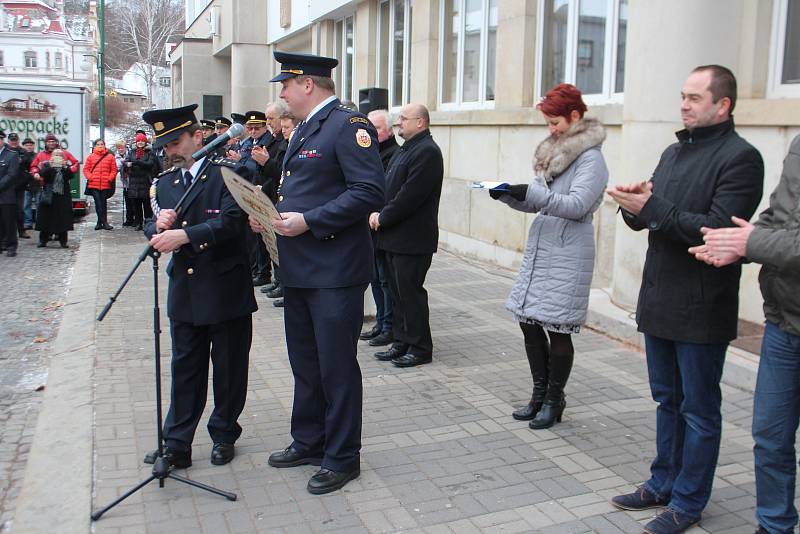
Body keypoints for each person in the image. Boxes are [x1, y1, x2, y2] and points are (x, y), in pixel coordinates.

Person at [607, 65, 764, 534]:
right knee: (666, 400)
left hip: (701, 305)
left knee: (698, 409)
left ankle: (689, 501)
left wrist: (652, 209)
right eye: (682, 96)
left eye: (695, 98)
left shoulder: (741, 158)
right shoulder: (674, 151)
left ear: (723, 105)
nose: (684, 104)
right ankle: (662, 483)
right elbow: (655, 216)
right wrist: (634, 204)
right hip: (659, 298)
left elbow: (716, 230)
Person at [251, 51, 384, 495]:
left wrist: (309, 221)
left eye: (286, 85)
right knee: (305, 362)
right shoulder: (308, 127)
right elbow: (306, 190)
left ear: (308, 85)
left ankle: (343, 456)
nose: (282, 94)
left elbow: (368, 191)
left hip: (334, 268)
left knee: (336, 366)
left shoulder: (349, 126)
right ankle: (309, 440)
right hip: (302, 266)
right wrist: (271, 215)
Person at [689, 134, 800, 534]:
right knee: (770, 438)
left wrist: (752, 241)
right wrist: (741, 245)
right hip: (785, 324)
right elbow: (777, 216)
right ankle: (774, 526)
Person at [141, 103, 257, 468]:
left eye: (176, 142)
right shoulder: (165, 183)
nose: (170, 151)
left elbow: (232, 223)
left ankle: (224, 433)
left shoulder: (228, 175)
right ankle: (177, 443)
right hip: (186, 291)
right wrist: (157, 226)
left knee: (228, 369)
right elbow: (151, 228)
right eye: (165, 145)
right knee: (185, 369)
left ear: (197, 137)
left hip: (225, 287)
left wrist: (184, 236)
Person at [489, 84, 608, 428]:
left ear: (575, 116)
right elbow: (539, 199)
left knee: (558, 331)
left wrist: (534, 195)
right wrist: (510, 195)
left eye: (555, 122)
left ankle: (555, 400)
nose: (551, 129)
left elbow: (577, 206)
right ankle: (538, 393)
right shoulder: (553, 152)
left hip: (569, 249)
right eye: (548, 123)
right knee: (528, 323)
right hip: (543, 246)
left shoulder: (591, 159)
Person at [370, 104, 443, 368]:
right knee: (398, 294)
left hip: (412, 238)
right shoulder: (407, 148)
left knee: (410, 294)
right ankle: (401, 341)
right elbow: (389, 187)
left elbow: (410, 196)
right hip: (393, 237)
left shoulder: (427, 152)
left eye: (404, 119)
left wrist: (383, 216)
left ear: (421, 122)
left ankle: (420, 347)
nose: (399, 123)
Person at [360, 109, 399, 347]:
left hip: (382, 225)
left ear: (390, 130)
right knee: (375, 278)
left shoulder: (393, 153)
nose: (372, 133)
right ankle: (380, 324)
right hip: (369, 224)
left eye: (378, 128)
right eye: (370, 128)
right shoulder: (371, 151)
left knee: (385, 280)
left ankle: (388, 326)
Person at [34, 148, 74, 248]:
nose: (58, 157)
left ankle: (63, 241)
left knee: (63, 220)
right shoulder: (47, 165)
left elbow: (70, 176)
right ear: (52, 156)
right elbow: (43, 174)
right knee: (46, 219)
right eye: (56, 155)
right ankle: (43, 240)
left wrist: (65, 167)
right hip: (49, 195)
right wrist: (50, 166)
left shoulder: (65, 166)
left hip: (62, 196)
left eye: (60, 155)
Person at [125, 133, 159, 230]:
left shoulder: (150, 152)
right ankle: (139, 223)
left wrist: (137, 162)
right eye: (138, 141)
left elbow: (150, 164)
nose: (140, 143)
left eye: (142, 141)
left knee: (147, 205)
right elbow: (126, 161)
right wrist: (127, 164)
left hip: (145, 181)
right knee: (136, 205)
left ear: (145, 142)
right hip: (134, 181)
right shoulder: (132, 152)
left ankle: (148, 223)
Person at [84, 139, 118, 230]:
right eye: (98, 144)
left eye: (102, 144)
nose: (100, 146)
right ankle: (103, 222)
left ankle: (101, 222)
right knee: (98, 203)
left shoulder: (110, 157)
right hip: (94, 184)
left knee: (103, 203)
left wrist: (109, 178)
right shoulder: (90, 157)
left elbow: (114, 170)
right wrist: (90, 177)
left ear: (104, 145)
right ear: (95, 146)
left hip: (105, 184)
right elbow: (86, 169)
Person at [0, 130, 21, 256]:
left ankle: (11, 246)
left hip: (6, 194)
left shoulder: (11, 155)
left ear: (2, 140)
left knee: (9, 222)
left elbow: (12, 174)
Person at [6, 133, 30, 239]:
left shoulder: (23, 152)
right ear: (8, 141)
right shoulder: (4, 151)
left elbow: (29, 167)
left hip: (19, 186)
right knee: (6, 210)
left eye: (15, 140)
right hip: (6, 186)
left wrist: (26, 180)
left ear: (18, 140)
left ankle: (21, 231)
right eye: (12, 140)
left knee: (19, 210)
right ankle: (7, 233)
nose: (14, 142)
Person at [115, 140, 135, 227]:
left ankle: (135, 219)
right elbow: (117, 167)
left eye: (122, 147)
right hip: (125, 182)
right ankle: (129, 219)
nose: (120, 149)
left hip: (133, 181)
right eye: (119, 148)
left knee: (134, 202)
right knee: (127, 201)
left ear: (125, 147)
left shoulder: (130, 154)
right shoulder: (116, 157)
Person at [21, 138, 39, 229]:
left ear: (33, 146)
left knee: (39, 204)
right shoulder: (20, 156)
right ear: (23, 146)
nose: (29, 147)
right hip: (25, 184)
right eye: (27, 145)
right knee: (26, 205)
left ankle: (39, 222)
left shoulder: (37, 156)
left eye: (30, 145)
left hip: (37, 183)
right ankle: (28, 223)